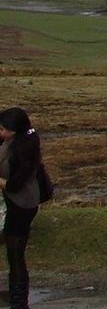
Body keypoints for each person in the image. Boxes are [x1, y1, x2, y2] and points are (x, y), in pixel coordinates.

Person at [0, 108, 42, 309]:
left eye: (2, 129)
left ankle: (18, 302)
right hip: (18, 203)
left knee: (15, 253)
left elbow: (14, 185)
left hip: (21, 204)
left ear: (13, 131)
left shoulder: (21, 151)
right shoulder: (17, 141)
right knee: (14, 253)